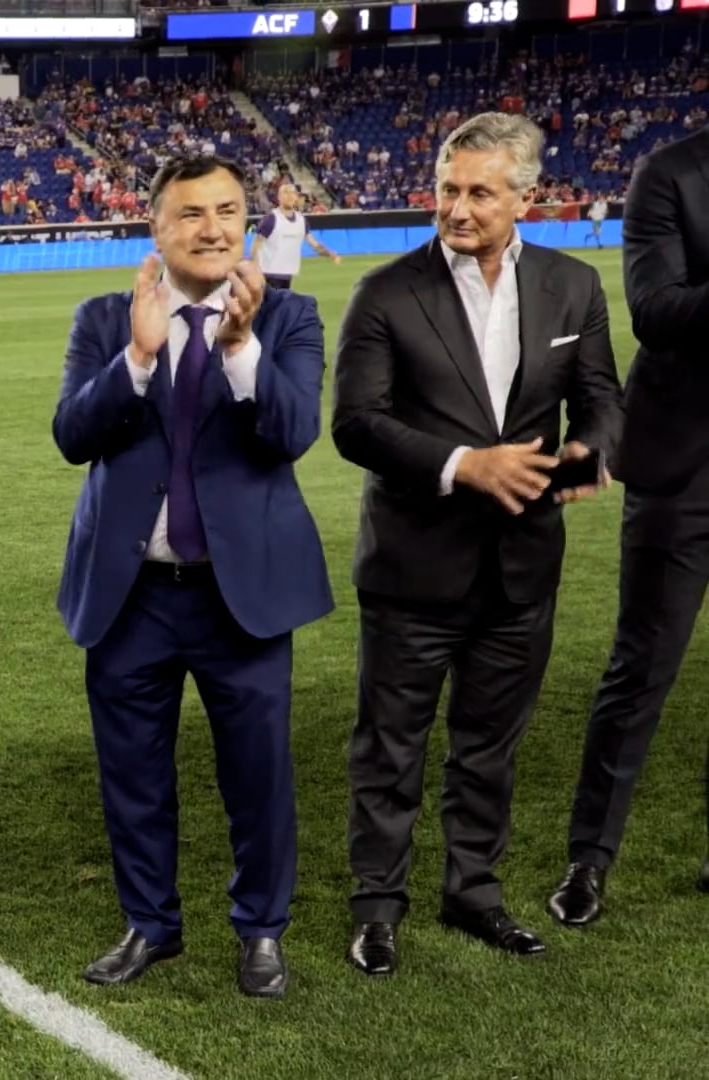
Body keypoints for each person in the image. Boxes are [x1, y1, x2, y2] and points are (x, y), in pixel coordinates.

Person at [332, 112, 622, 974]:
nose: (458, 208)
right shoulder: (386, 290)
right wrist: (465, 464)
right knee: (390, 747)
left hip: (523, 564)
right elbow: (355, 424)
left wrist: (592, 450)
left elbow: (602, 397)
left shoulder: (574, 286)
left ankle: (473, 892)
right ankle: (377, 906)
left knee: (490, 743)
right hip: (413, 564)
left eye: (480, 193)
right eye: (447, 189)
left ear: (526, 198)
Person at [53, 154, 332, 999]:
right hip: (131, 595)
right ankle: (150, 924)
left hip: (239, 595)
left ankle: (261, 931)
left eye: (227, 211)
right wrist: (136, 359)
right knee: (133, 773)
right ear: (156, 229)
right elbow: (73, 436)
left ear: (246, 222)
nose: (212, 229)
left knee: (259, 774)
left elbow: (291, 434)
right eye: (190, 214)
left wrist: (242, 351)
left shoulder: (290, 317)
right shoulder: (106, 318)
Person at [549, 128, 709, 926]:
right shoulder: (672, 172)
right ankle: (589, 860)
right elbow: (655, 309)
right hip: (686, 463)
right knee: (642, 665)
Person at [249, 182, 339, 291]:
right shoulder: (271, 219)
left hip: (288, 275)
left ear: (296, 197)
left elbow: (314, 245)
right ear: (279, 197)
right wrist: (256, 271)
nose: (289, 196)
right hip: (268, 275)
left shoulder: (301, 220)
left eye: (292, 193)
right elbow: (256, 246)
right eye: (285, 193)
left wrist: (330, 253)